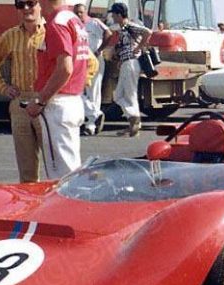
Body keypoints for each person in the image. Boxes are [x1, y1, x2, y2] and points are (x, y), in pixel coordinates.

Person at [0, 0, 46, 183]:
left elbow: (88, 62)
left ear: (40, 4)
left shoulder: (53, 32)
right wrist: (3, 87)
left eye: (30, 3)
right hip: (20, 102)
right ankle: (30, 199)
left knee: (55, 164)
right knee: (26, 167)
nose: (26, 8)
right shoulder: (10, 36)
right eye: (20, 4)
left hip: (46, 101)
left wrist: (68, 91)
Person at [26, 0, 89, 179]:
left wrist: (40, 101)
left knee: (61, 174)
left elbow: (65, 68)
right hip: (72, 99)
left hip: (58, 103)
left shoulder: (57, 24)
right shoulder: (72, 19)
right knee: (70, 167)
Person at [108, 2, 151, 137]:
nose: (112, 17)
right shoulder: (123, 29)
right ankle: (133, 120)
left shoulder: (130, 26)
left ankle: (134, 121)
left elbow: (147, 32)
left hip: (131, 62)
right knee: (119, 95)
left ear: (119, 14)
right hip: (126, 62)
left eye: (114, 14)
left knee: (129, 94)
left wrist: (138, 48)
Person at [74, 4, 112, 136]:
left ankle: (91, 124)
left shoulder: (94, 22)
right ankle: (93, 115)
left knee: (93, 91)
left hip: (94, 60)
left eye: (81, 12)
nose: (79, 15)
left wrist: (99, 50)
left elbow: (109, 33)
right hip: (81, 60)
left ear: (86, 12)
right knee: (79, 91)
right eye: (76, 13)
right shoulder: (76, 25)